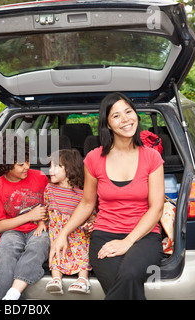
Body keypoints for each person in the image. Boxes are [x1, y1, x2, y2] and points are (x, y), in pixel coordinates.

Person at [49, 92, 165, 300]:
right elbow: (86, 203)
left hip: (144, 236)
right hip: (104, 235)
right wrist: (63, 233)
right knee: (120, 283)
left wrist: (127, 242)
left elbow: (156, 208)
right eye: (116, 116)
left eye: (128, 112)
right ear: (108, 124)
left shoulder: (152, 157)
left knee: (129, 275)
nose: (126, 119)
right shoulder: (94, 158)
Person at [0, 134, 49, 300]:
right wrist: (30, 216)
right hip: (12, 231)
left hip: (38, 228)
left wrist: (41, 220)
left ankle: (14, 292)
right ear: (5, 166)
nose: (27, 166)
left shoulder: (40, 177)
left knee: (39, 244)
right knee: (5, 252)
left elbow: (53, 203)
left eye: (27, 161)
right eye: (21, 164)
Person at [45, 149, 95, 295]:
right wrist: (42, 223)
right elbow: (45, 209)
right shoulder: (49, 189)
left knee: (81, 249)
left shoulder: (83, 193)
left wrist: (89, 225)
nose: (50, 170)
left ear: (70, 169)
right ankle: (56, 279)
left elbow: (91, 214)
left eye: (56, 166)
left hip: (77, 233)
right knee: (56, 251)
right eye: (50, 166)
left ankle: (83, 279)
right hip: (56, 232)